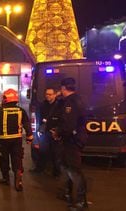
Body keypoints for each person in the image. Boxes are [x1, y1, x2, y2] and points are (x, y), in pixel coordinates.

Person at [51, 77, 88, 209]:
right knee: (66, 167)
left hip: (72, 140)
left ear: (63, 88)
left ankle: (80, 202)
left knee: (74, 170)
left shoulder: (71, 102)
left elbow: (68, 125)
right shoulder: (72, 100)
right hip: (71, 139)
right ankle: (66, 192)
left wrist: (57, 132)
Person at [0, 88, 33, 192]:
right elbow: (26, 123)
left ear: (5, 99)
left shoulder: (0, 110)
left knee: (3, 159)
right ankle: (18, 179)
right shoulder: (20, 110)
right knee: (17, 159)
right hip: (16, 140)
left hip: (3, 141)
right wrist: (29, 136)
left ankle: (6, 178)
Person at [31, 87, 62, 178]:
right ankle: (39, 169)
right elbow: (39, 118)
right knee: (42, 151)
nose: (47, 96)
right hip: (45, 131)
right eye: (46, 94)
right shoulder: (43, 105)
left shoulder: (59, 105)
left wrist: (57, 130)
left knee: (55, 153)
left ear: (55, 95)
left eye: (50, 94)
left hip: (54, 132)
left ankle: (56, 172)